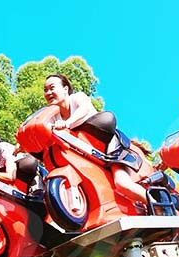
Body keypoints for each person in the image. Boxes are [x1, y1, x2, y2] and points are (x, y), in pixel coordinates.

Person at [43, 74, 149, 209]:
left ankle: (158, 206)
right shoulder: (53, 116)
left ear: (65, 89)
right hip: (87, 156)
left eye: (52, 88)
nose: (48, 93)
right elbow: (44, 131)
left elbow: (84, 109)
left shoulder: (77, 98)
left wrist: (67, 123)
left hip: (108, 148)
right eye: (45, 90)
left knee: (122, 184)